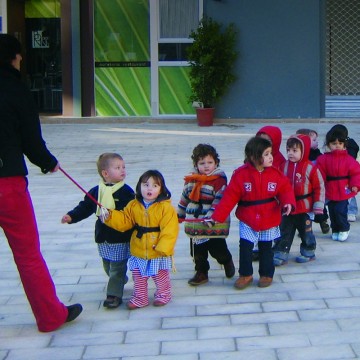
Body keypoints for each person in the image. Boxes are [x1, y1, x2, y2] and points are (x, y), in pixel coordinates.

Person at [0, 33, 82, 332]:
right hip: (7, 184)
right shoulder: (15, 88)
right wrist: (48, 162)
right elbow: (32, 141)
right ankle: (50, 316)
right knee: (27, 254)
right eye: (20, 56)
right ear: (14, 57)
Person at [211, 137, 295, 289]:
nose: (271, 157)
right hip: (248, 216)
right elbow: (229, 197)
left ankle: (266, 274)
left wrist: (288, 202)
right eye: (267, 154)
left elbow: (285, 189)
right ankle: (245, 274)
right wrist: (218, 216)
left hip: (269, 215)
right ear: (254, 157)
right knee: (245, 246)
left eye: (271, 153)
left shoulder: (275, 174)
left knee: (266, 247)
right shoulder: (241, 175)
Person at [61, 153, 134, 309]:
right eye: (117, 168)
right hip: (103, 236)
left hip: (121, 237)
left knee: (117, 267)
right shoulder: (96, 191)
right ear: (105, 173)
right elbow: (86, 206)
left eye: (123, 167)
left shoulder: (127, 192)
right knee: (108, 266)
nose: (122, 170)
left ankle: (113, 295)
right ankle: (119, 279)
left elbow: (134, 213)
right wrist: (71, 216)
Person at [102, 170, 179, 309]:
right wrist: (110, 216)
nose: (149, 188)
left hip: (157, 250)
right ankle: (140, 297)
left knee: (160, 276)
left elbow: (170, 229)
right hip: (138, 247)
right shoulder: (133, 205)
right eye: (146, 184)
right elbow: (125, 221)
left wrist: (164, 247)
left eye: (155, 186)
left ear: (161, 189)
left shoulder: (166, 208)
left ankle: (164, 294)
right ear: (139, 186)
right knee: (139, 276)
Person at [177, 144, 235, 286]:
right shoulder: (191, 179)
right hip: (195, 221)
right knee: (198, 251)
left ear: (216, 163)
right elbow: (185, 196)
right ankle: (201, 272)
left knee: (217, 249)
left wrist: (211, 216)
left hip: (212, 222)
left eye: (210, 162)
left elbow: (219, 200)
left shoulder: (219, 180)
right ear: (196, 164)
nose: (206, 166)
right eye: (202, 163)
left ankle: (226, 260)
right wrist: (180, 213)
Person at [272, 134, 325, 265]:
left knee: (305, 231)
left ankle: (308, 251)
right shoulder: (283, 167)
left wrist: (318, 205)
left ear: (304, 150)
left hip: (305, 207)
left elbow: (319, 187)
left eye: (295, 151)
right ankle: (281, 252)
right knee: (284, 230)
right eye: (288, 150)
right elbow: (277, 185)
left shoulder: (311, 168)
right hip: (287, 207)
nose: (290, 153)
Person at [316, 125, 360, 241]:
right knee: (332, 211)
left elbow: (356, 173)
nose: (337, 146)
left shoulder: (349, 159)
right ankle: (335, 229)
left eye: (340, 144)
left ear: (344, 145)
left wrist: (355, 185)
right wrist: (319, 185)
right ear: (329, 144)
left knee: (341, 210)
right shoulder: (323, 159)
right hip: (330, 189)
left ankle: (344, 228)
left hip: (344, 188)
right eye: (334, 144)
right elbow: (320, 173)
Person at [252, 125, 287, 260]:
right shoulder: (253, 157)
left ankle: (273, 243)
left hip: (273, 199)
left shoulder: (280, 161)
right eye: (261, 140)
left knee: (272, 223)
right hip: (256, 197)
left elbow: (284, 183)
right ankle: (255, 246)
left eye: (268, 141)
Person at [296, 128, 330, 234]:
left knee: (320, 206)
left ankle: (323, 222)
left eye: (316, 139)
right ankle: (304, 227)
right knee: (305, 210)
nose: (317, 142)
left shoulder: (318, 154)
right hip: (304, 189)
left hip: (316, 186)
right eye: (314, 140)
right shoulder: (300, 157)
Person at [328, 125, 360, 223]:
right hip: (338, 176)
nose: (337, 145)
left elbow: (352, 160)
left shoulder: (350, 145)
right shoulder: (335, 145)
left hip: (348, 173)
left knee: (349, 193)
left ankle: (352, 211)